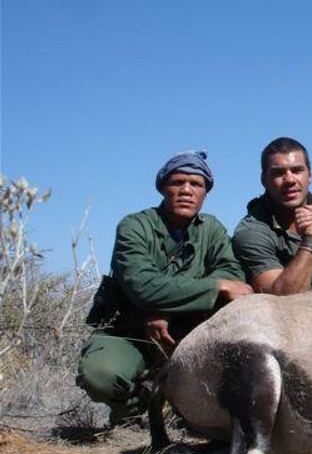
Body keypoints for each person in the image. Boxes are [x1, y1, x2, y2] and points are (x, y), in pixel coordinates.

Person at [76, 150, 253, 426]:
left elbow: (233, 274)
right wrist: (215, 285)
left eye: (196, 184)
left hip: (183, 331)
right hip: (128, 331)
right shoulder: (134, 226)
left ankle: (181, 405)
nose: (186, 190)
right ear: (162, 187)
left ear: (206, 192)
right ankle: (135, 406)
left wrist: (167, 313)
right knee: (100, 376)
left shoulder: (212, 229)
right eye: (177, 182)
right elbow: (144, 288)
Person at [232, 136, 312, 295]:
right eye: (278, 173)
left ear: (310, 175)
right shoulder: (251, 232)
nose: (290, 180)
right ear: (264, 181)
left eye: (297, 170)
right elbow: (283, 296)